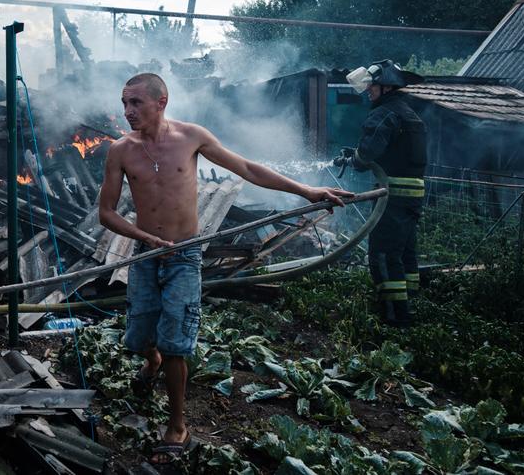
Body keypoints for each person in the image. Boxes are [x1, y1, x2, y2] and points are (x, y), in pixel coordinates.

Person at [99, 73, 351, 465]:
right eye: (124, 103)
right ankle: (152, 363)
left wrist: (307, 190)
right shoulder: (120, 150)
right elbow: (107, 212)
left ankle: (177, 424)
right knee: (139, 337)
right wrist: (143, 238)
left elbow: (248, 169)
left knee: (176, 341)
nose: (128, 111)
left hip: (184, 255)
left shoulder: (191, 137)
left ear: (161, 102)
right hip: (145, 255)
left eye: (136, 103)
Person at [339, 59, 426, 326]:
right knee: (404, 252)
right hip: (413, 195)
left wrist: (353, 159)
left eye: (372, 86)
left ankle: (394, 318)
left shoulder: (384, 114)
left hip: (392, 195)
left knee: (383, 254)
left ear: (386, 87)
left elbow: (367, 155)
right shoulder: (409, 113)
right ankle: (410, 306)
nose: (368, 91)